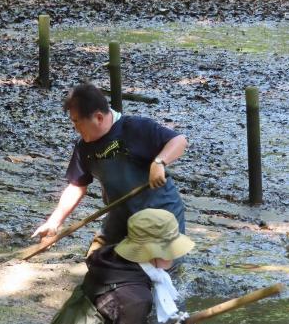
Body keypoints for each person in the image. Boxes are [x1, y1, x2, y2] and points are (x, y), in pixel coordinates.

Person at [33, 83, 188, 253]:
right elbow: (77, 186)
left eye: (77, 122)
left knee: (151, 273)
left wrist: (159, 162)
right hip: (120, 216)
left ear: (98, 117)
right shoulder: (84, 147)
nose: (75, 128)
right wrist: (54, 221)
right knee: (96, 260)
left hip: (160, 216)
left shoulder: (136, 128)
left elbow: (179, 141)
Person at [50, 208, 195, 324]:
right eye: (171, 247)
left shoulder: (108, 258)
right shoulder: (136, 298)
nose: (176, 253)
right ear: (154, 252)